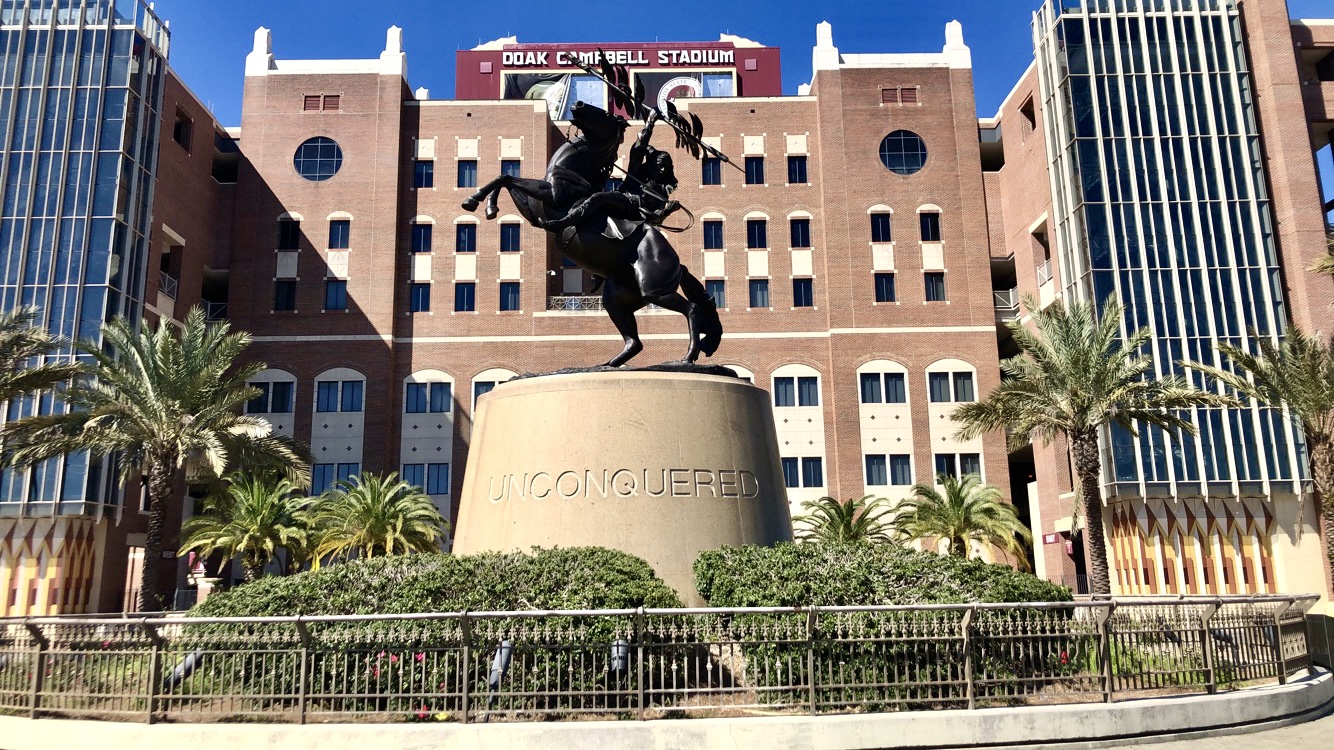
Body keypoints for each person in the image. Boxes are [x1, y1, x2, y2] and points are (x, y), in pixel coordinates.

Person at [540, 109, 681, 233]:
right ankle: (564, 223)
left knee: (598, 198)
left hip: (636, 215)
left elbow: (656, 219)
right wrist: (650, 123)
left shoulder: (662, 191)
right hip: (623, 200)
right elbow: (639, 148)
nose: (663, 169)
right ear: (651, 164)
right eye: (660, 165)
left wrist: (668, 210)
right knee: (597, 198)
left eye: (666, 167)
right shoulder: (637, 173)